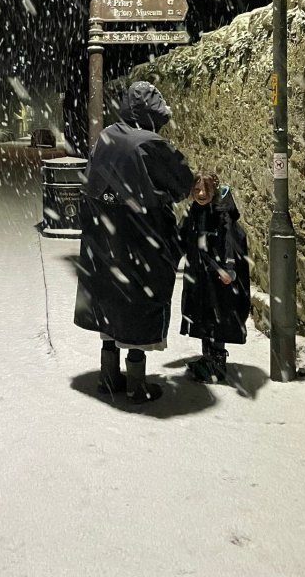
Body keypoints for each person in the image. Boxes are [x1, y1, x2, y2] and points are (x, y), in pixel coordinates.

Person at [74, 81, 195, 403]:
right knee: (139, 308)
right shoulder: (150, 144)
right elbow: (182, 182)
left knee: (110, 303)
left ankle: (108, 377)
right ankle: (137, 384)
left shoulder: (107, 136)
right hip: (140, 239)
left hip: (104, 238)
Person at [179, 172, 251, 383]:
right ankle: (207, 359)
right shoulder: (194, 211)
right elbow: (182, 236)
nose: (201, 194)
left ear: (214, 191)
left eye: (205, 190)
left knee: (219, 316)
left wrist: (228, 267)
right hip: (199, 275)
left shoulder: (222, 213)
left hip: (218, 278)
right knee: (201, 314)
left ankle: (217, 363)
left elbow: (230, 240)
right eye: (197, 189)